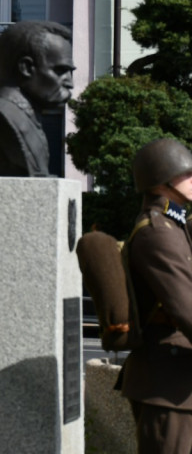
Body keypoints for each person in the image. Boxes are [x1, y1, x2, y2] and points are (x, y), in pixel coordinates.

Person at [121, 137, 192, 453]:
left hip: (178, 383)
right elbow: (187, 309)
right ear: (163, 180)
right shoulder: (157, 233)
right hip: (166, 386)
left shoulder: (174, 227)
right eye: (187, 174)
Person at [0, 20, 75, 176]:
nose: (70, 83)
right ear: (26, 68)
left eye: (70, 73)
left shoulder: (30, 117)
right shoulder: (4, 115)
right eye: (60, 70)